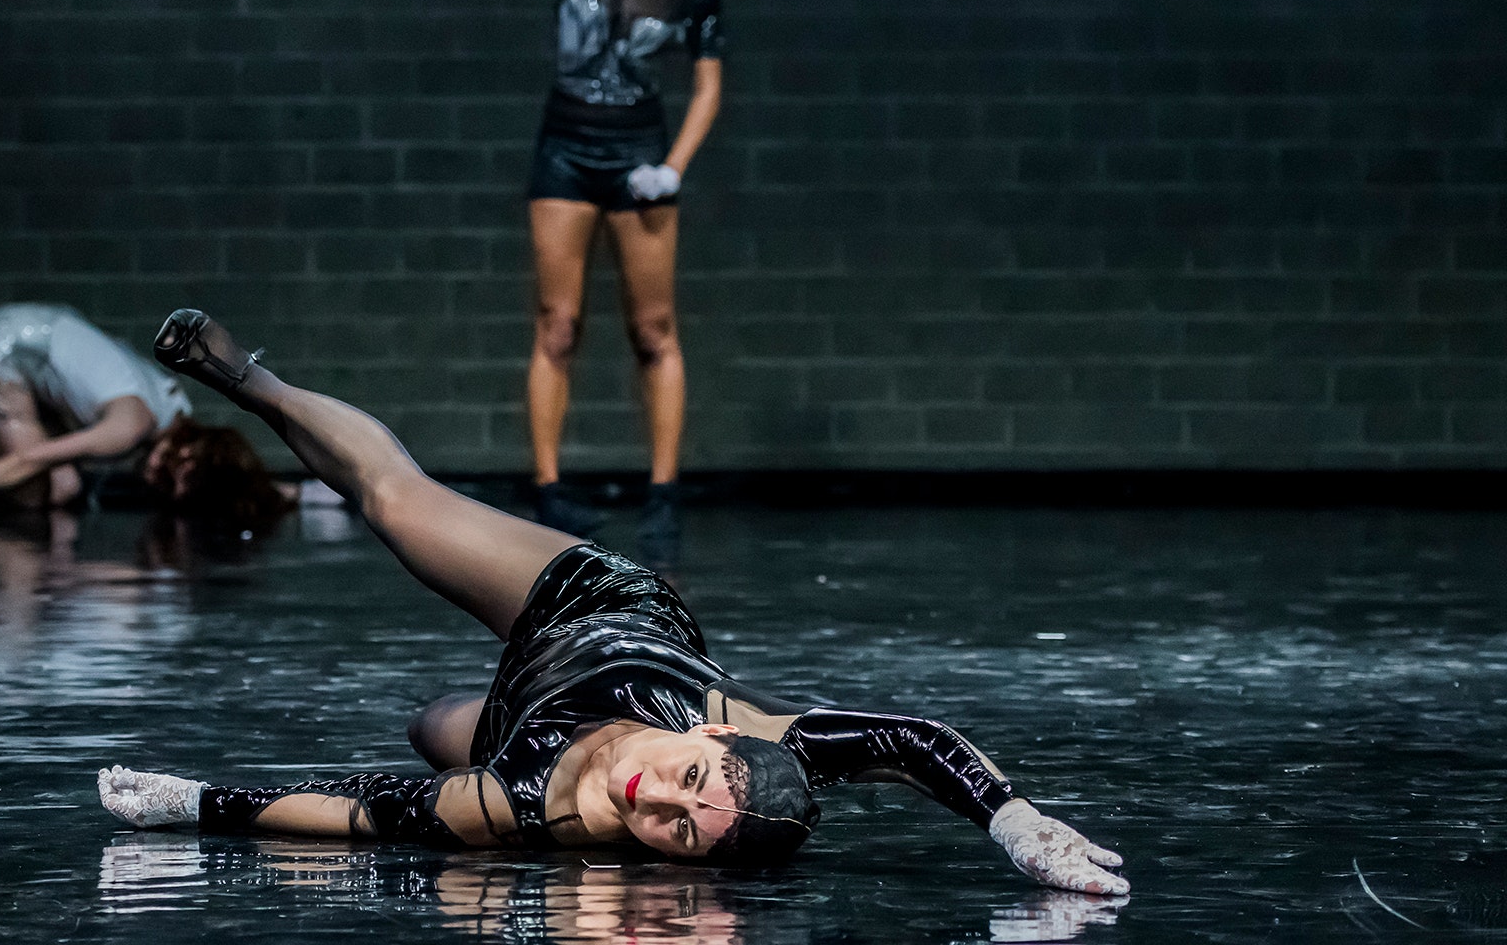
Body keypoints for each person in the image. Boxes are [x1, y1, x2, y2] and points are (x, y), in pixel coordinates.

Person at [98, 311, 1129, 891]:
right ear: (713, 746)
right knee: (398, 503)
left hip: (524, 729)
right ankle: (260, 384)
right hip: (589, 612)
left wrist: (194, 800)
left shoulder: (527, 808)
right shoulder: (736, 729)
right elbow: (908, 738)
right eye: (688, 780)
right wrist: (1012, 816)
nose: (656, 800)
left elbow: (364, 817)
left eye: (677, 830)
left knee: (427, 739)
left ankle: (487, 712)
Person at [526, 0, 726, 567]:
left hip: (640, 153)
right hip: (566, 150)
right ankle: (545, 486)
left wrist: (672, 167)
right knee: (558, 324)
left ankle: (663, 492)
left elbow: (710, 87)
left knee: (654, 330)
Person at [0, 303, 293, 533]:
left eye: (169, 484)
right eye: (172, 469)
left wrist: (303, 492)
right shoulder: (130, 428)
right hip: (3, 345)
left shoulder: (170, 413)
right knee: (35, 491)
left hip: (33, 332)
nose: (154, 475)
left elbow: (236, 476)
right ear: (192, 444)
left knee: (66, 487)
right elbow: (27, 463)